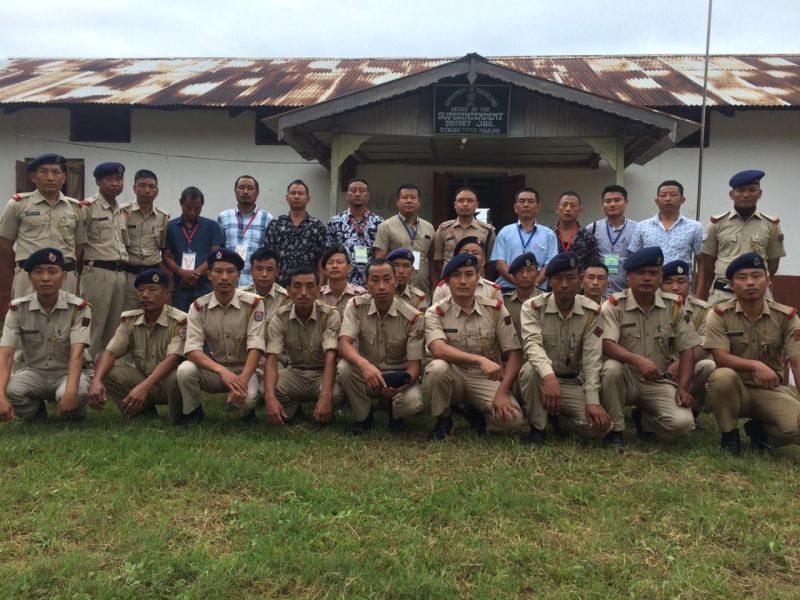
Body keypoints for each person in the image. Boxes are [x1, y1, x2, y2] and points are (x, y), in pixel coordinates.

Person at [600, 246, 701, 442]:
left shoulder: (674, 307)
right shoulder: (614, 305)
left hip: (658, 380)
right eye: (641, 273)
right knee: (612, 369)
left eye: (653, 273)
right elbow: (607, 343)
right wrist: (637, 360)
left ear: (660, 277)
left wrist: (683, 387)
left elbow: (688, 349)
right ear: (628, 277)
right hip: (626, 378)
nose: (647, 278)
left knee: (683, 424)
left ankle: (645, 420)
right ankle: (616, 430)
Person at [705, 252, 800, 455]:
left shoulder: (787, 316)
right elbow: (720, 357)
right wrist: (755, 366)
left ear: (768, 281)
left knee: (796, 427)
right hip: (734, 389)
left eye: (756, 276)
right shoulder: (720, 315)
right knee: (721, 376)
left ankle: (761, 434)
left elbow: (797, 362)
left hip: (770, 390)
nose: (750, 282)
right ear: (731, 285)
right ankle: (729, 436)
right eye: (742, 277)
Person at [424, 253, 525, 441]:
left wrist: (502, 391)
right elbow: (437, 349)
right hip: (453, 375)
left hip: (484, 377)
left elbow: (515, 353)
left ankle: (477, 414)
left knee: (513, 420)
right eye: (456, 275)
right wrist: (480, 360)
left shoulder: (495, 309)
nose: (463, 281)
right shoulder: (435, 312)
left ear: (478, 279)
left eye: (469, 274)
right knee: (437, 368)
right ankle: (444, 420)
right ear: (446, 281)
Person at [518, 252, 613, 446]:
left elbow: (592, 357)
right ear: (549, 281)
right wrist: (549, 377)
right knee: (529, 370)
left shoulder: (591, 312)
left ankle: (557, 419)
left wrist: (592, 400)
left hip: (572, 382)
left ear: (579, 281)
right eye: (558, 278)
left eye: (570, 278)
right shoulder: (533, 307)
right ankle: (538, 428)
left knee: (600, 429)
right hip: (543, 380)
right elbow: (532, 345)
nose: (563, 285)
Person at [176, 249, 266, 425]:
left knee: (246, 400)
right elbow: (192, 349)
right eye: (218, 271)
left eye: (230, 272)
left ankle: (246, 414)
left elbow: (256, 346)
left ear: (238, 275)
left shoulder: (254, 303)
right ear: (209, 275)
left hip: (245, 370)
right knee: (185, 370)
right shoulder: (198, 307)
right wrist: (222, 372)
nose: (224, 277)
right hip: (216, 370)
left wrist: (242, 382)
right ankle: (193, 412)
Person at [0, 248, 91, 422]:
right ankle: (37, 415)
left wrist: (70, 392)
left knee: (77, 394)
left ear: (64, 276)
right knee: (9, 390)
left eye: (52, 271)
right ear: (29, 277)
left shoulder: (78, 308)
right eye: (38, 272)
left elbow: (77, 353)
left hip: (66, 373)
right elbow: (6, 353)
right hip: (35, 373)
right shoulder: (17, 309)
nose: (45, 278)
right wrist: (0, 395)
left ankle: (71, 415)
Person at [337, 259, 424, 434]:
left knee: (413, 403)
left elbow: (415, 367)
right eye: (375, 280)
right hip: (368, 376)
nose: (381, 286)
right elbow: (344, 344)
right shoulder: (355, 306)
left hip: (398, 378)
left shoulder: (413, 317)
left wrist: (402, 386)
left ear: (396, 281)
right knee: (345, 367)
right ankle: (363, 417)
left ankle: (395, 414)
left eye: (387, 279)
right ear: (367, 283)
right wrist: (365, 366)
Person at [88, 268, 186, 422]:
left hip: (169, 383)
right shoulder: (130, 321)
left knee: (177, 376)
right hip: (144, 378)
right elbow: (111, 353)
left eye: (152, 290)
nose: (145, 295)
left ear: (166, 294)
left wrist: (144, 387)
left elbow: (173, 359)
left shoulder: (179, 320)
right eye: (141, 290)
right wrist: (96, 380)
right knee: (109, 372)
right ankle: (140, 413)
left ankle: (180, 417)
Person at [263, 266, 343, 426]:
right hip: (295, 372)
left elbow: (331, 358)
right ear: (288, 291)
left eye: (310, 286)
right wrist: (269, 398)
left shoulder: (329, 315)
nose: (304, 292)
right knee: (266, 389)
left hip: (322, 373)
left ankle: (323, 409)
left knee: (336, 394)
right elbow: (272, 359)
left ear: (318, 289)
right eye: (297, 286)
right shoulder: (280, 317)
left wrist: (326, 396)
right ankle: (291, 410)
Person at [696, 170, 785, 305]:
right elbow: (708, 263)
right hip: (723, 294)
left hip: (759, 296)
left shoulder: (771, 226)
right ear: (731, 195)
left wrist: (757, 281)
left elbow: (773, 263)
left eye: (752, 190)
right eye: (740, 191)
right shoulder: (716, 224)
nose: (746, 195)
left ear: (759, 194)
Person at [0, 154, 83, 297]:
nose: (50, 177)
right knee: (27, 318)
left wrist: (62, 268)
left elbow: (79, 247)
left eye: (56, 172)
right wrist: (22, 268)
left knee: (65, 318)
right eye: (43, 172)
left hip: (65, 277)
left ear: (63, 178)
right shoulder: (18, 205)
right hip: (29, 277)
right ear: (33, 177)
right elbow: (4, 244)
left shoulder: (76, 208)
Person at [79, 162, 130, 359]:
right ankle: (84, 368)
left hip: (120, 273)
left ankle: (104, 371)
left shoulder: (121, 211)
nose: (115, 184)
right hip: (97, 273)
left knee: (114, 325)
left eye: (118, 179)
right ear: (98, 182)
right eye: (109, 179)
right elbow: (79, 246)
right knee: (94, 323)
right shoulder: (88, 207)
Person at [660, 259, 715, 427]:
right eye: (668, 282)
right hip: (657, 366)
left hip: (686, 369)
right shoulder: (652, 307)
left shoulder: (703, 310)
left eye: (681, 281)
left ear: (689, 283)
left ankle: (693, 411)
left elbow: (705, 344)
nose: (675, 287)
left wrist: (680, 364)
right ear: (660, 284)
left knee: (708, 366)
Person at [164, 186, 224, 313]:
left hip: (205, 284)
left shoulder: (211, 226)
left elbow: (215, 254)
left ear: (202, 205)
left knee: (206, 322)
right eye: (188, 207)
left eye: (197, 208)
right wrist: (182, 273)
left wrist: (195, 274)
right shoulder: (170, 227)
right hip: (180, 284)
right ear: (180, 203)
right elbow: (166, 256)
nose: (192, 212)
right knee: (180, 322)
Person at [628, 180, 704, 274]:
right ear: (657, 200)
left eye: (673, 195)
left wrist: (699, 289)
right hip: (650, 285)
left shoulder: (694, 227)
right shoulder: (642, 226)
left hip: (680, 284)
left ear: (682, 200)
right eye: (663, 195)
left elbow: (702, 263)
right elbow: (634, 260)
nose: (668, 199)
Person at [373, 184, 435, 295]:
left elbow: (431, 262)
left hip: (422, 290)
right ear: (397, 202)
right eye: (405, 197)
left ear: (419, 202)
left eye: (413, 198)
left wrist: (433, 288)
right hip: (395, 290)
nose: (409, 201)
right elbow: (379, 262)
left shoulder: (429, 227)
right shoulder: (386, 226)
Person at [491, 188, 557, 290]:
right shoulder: (505, 232)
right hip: (508, 289)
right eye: (522, 201)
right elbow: (499, 263)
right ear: (515, 207)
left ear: (538, 207)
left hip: (538, 289)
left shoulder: (549, 234)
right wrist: (518, 283)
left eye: (530, 201)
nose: (526, 205)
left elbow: (550, 264)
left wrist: (534, 284)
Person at [265, 179, 327, 287]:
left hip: (308, 287)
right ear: (287, 198)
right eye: (293, 193)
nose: (296, 196)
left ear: (308, 199)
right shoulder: (276, 224)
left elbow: (321, 260)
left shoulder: (317, 226)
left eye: (301, 193)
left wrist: (320, 287)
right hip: (280, 286)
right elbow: (268, 257)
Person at [122, 169, 169, 310]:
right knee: (127, 315)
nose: (147, 190)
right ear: (134, 188)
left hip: (153, 276)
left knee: (152, 316)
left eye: (151, 187)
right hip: (129, 275)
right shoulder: (122, 212)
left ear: (157, 191)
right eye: (142, 186)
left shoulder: (163, 217)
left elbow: (161, 247)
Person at [216, 175, 273, 287]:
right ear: (235, 191)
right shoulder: (223, 217)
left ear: (257, 193)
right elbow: (219, 250)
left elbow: (270, 252)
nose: (245, 191)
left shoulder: (267, 218)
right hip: (228, 282)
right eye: (241, 187)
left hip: (256, 283)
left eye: (250, 188)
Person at [325, 178, 383, 287]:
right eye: (353, 190)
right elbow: (328, 253)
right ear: (347, 195)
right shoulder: (335, 221)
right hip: (342, 283)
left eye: (362, 191)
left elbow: (381, 254)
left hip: (370, 283)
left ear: (368, 196)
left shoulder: (379, 222)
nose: (357, 194)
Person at [432, 186, 496, 281]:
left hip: (477, 283)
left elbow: (491, 263)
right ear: (455, 204)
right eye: (461, 201)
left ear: (477, 204)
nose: (465, 204)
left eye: (470, 201)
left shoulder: (488, 231)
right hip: (449, 282)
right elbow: (438, 261)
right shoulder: (443, 229)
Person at [589, 185, 637, 294]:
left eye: (617, 200)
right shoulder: (593, 228)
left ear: (626, 202)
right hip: (599, 293)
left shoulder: (637, 229)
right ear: (602, 205)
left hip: (626, 293)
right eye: (608, 201)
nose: (612, 204)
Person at [431, 236, 502, 305]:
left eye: (475, 253)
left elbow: (497, 316)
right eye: (465, 252)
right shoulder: (443, 288)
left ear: (483, 261)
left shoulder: (493, 290)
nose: (470, 256)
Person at [241, 247, 290, 322]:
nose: (264, 274)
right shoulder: (241, 296)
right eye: (259, 269)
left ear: (277, 272)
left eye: (269, 269)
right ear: (251, 271)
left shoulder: (285, 298)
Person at [552, 191, 597, 269]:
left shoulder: (587, 237)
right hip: (552, 280)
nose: (568, 209)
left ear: (580, 210)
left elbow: (590, 267)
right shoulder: (548, 234)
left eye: (573, 205)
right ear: (557, 209)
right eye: (564, 205)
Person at [502, 252, 541, 340]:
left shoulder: (545, 301)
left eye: (529, 270)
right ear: (513, 276)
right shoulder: (504, 301)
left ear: (537, 274)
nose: (524, 275)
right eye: (520, 271)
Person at [319, 244, 366, 314]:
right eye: (330, 262)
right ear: (325, 270)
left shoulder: (360, 294)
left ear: (349, 268)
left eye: (339, 262)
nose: (334, 266)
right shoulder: (318, 295)